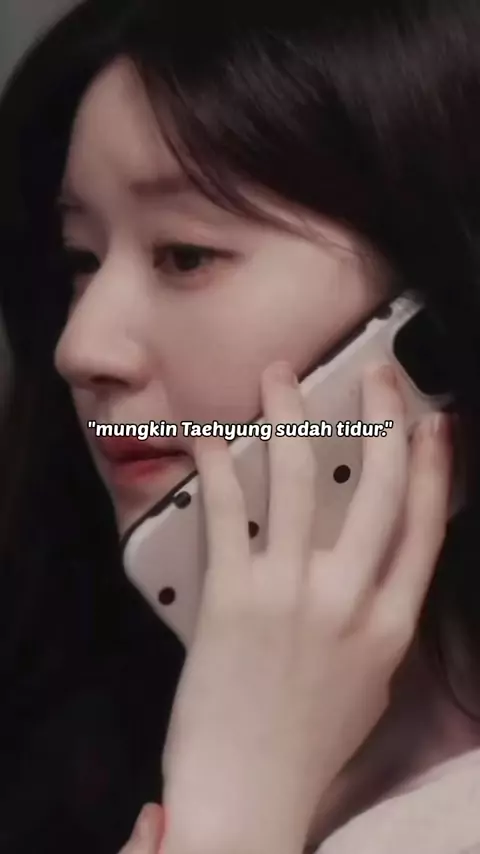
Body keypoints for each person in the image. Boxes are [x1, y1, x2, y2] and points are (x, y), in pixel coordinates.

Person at [2, 2, 480, 852]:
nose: (80, 348)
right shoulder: (66, 730)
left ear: (434, 328)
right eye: (81, 259)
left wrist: (232, 807)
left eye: (185, 255)